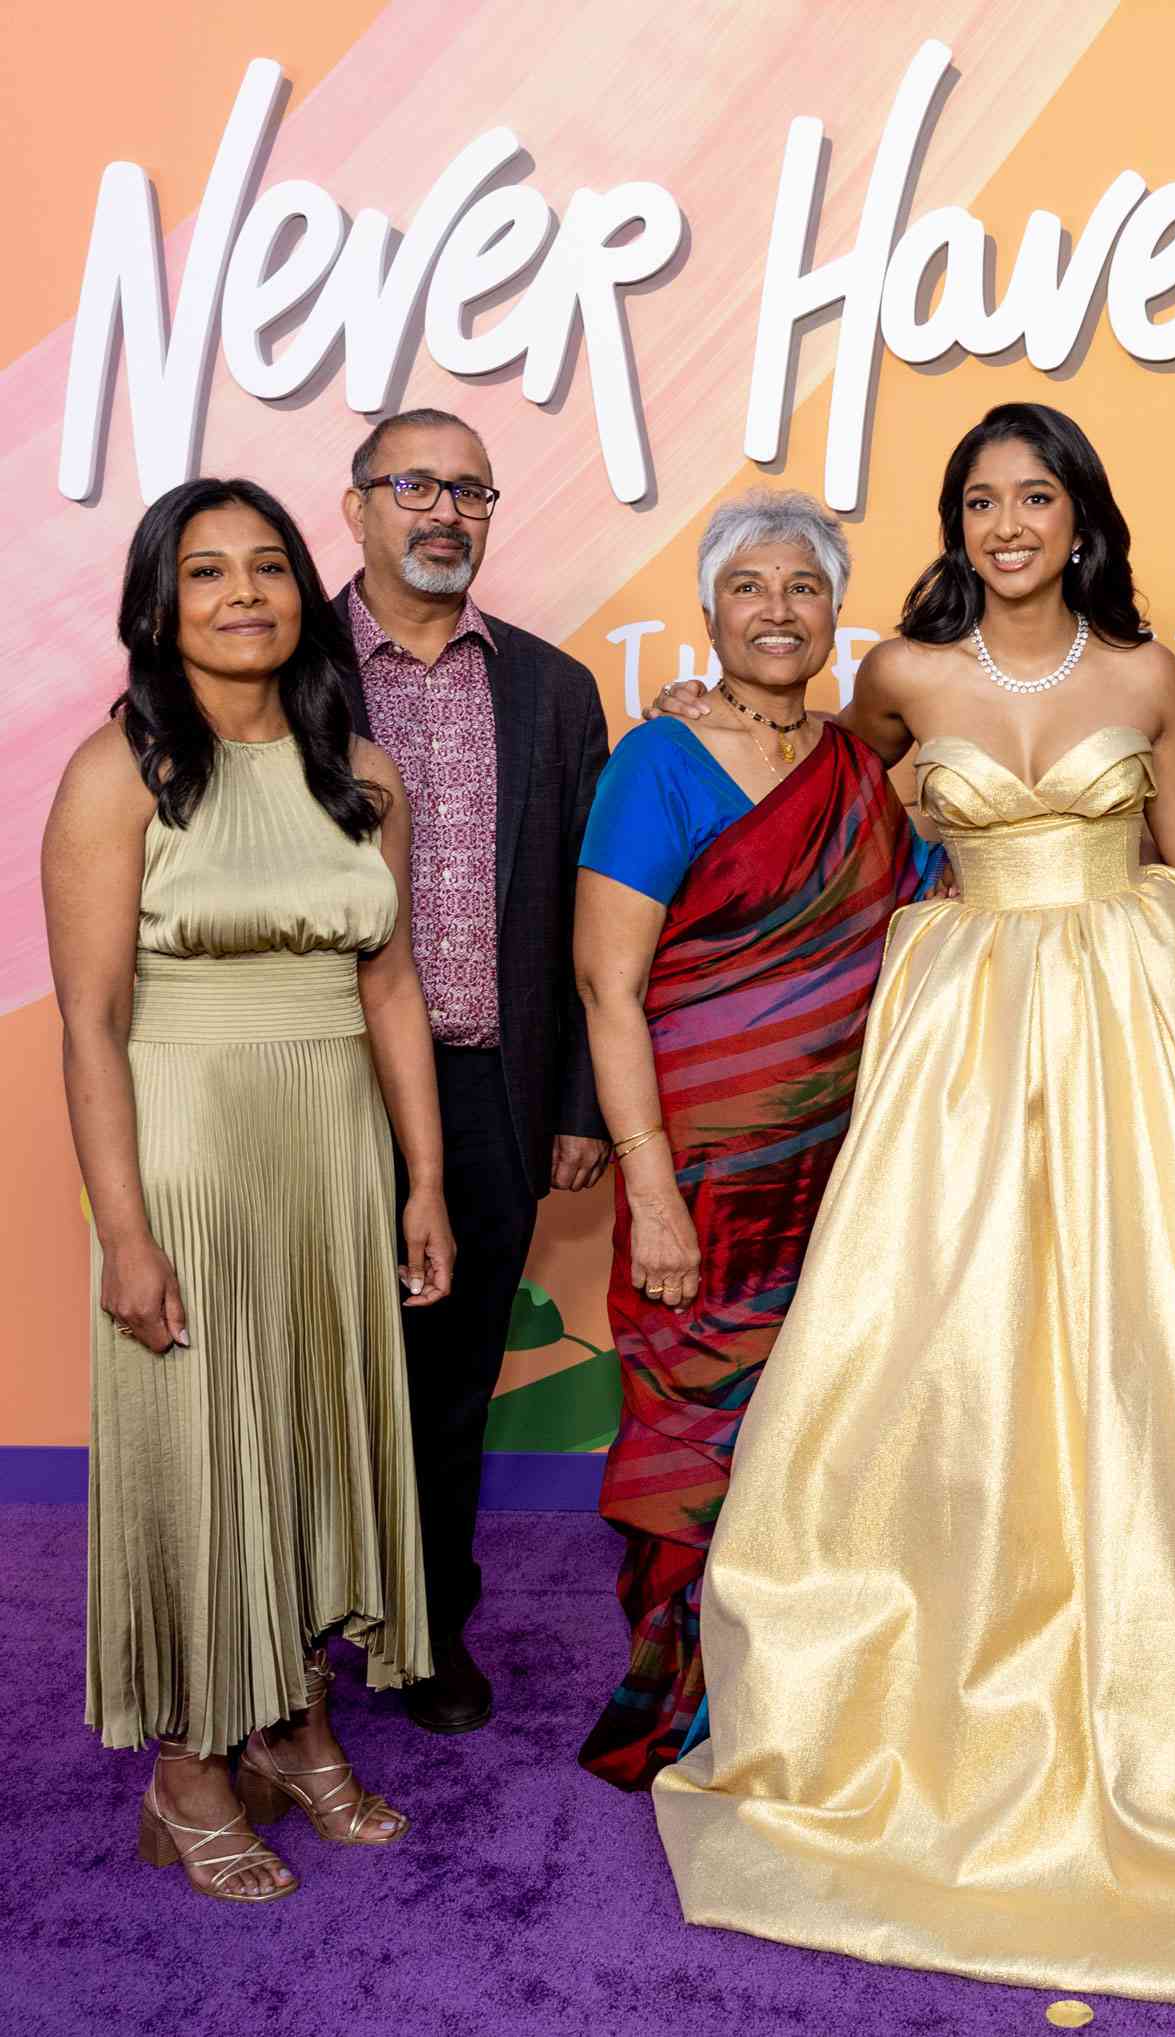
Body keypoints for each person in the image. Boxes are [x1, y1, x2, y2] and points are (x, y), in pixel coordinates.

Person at [644, 403, 1175, 2005]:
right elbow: (828, 811)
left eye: (1034, 495)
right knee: (939, 1346)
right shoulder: (899, 677)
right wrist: (728, 707)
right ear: (956, 522)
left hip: (1131, 1038)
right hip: (961, 1053)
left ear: (1080, 514)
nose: (1006, 524)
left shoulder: (1141, 678)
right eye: (979, 500)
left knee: (1161, 1347)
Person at [44, 478, 452, 1904]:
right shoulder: (119, 772)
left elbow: (391, 984)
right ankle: (188, 1766)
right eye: (206, 572)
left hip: (331, 1150)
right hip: (192, 1152)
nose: (242, 596)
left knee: (309, 1439)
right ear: (159, 605)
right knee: (200, 1449)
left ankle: (294, 1719)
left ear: (303, 591)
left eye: (268, 567)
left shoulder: (365, 772)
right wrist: (125, 1229)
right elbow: (90, 1021)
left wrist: (424, 1180)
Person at [573, 492, 939, 1789]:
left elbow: (934, 931)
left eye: (803, 588)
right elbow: (610, 987)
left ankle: (799, 1681)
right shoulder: (656, 763)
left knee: (824, 1431)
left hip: (843, 1176)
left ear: (838, 612)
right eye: (750, 588)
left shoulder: (857, 772)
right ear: (710, 611)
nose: (778, 610)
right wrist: (651, 1191)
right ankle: (677, 1701)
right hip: (703, 1179)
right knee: (695, 1440)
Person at [337, 408, 611, 1734]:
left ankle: (425, 1628)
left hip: (493, 1093)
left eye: (473, 494)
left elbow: (586, 912)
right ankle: (290, 1625)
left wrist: (578, 1106)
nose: (446, 513)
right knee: (307, 1372)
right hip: (313, 1093)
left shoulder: (554, 692)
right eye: (417, 486)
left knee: (447, 1389)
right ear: (358, 510)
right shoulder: (285, 672)